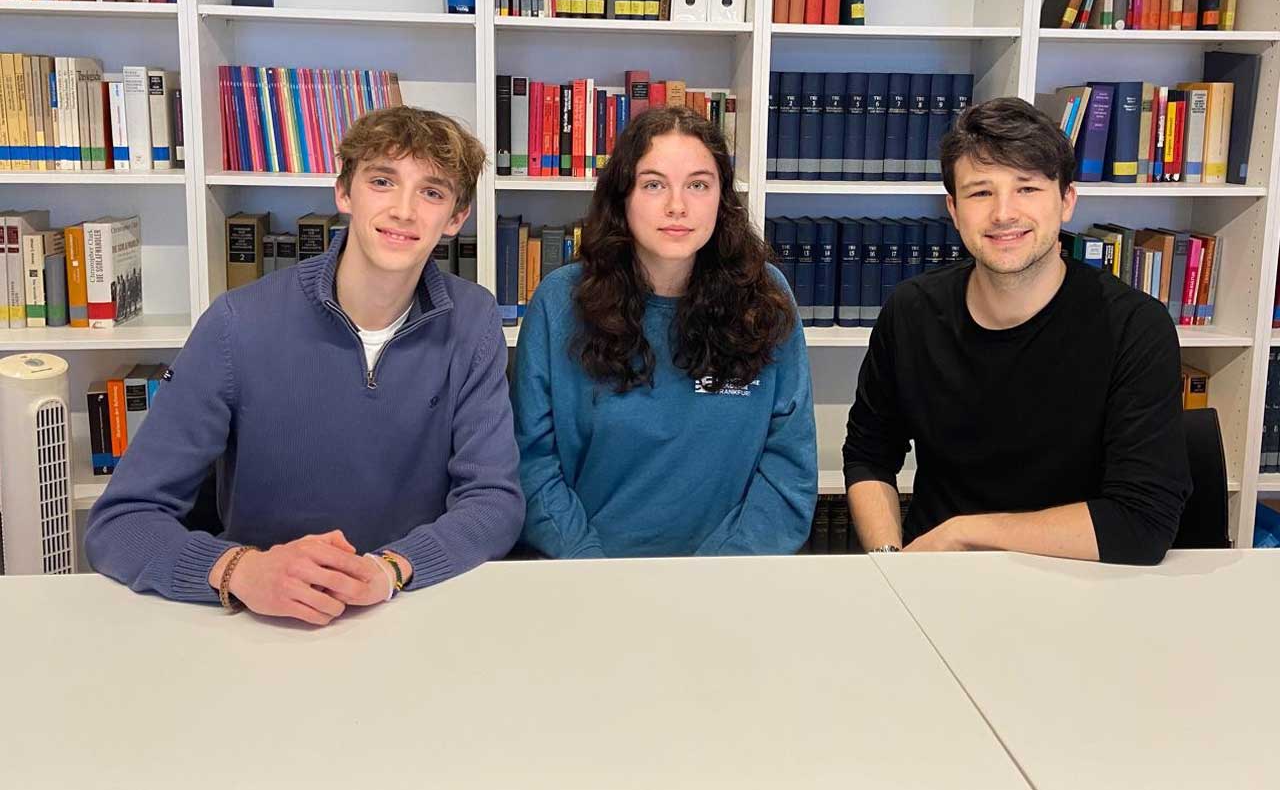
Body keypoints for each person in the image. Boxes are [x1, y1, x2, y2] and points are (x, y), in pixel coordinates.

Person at [86, 106, 525, 623]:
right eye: (382, 181)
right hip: (265, 623)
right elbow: (121, 521)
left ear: (455, 218)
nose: (405, 210)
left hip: (411, 608)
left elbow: (494, 501)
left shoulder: (473, 321)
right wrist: (239, 571)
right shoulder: (236, 325)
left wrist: (391, 569)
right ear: (344, 192)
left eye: (431, 191)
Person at [843, 96, 1191, 565]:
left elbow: (1142, 523)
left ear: (1067, 200)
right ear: (953, 208)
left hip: (1085, 583)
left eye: (1027, 189)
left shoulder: (1134, 327)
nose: (1004, 213)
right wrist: (890, 561)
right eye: (981, 192)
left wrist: (965, 534)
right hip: (941, 581)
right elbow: (869, 454)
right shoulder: (912, 311)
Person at [513, 106, 817, 558]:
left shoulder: (766, 297)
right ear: (623, 197)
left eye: (698, 185)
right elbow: (531, 465)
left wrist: (720, 575)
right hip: (588, 578)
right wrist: (590, 569)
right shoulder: (559, 302)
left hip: (734, 580)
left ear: (722, 198)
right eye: (654, 185)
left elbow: (789, 466)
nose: (678, 206)